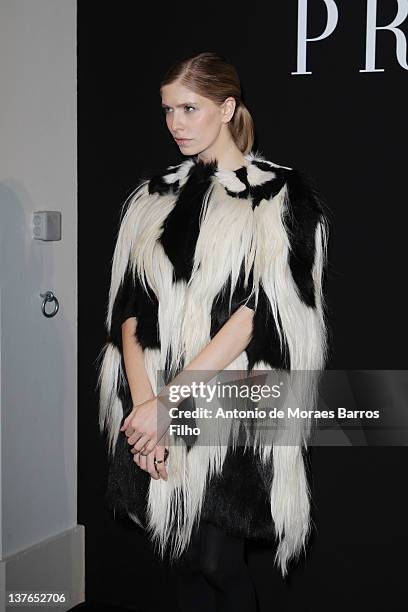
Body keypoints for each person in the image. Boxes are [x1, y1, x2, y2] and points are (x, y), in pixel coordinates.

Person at [97, 51, 330, 611]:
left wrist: (173, 400)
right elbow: (129, 309)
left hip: (227, 397)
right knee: (179, 556)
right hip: (151, 402)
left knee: (217, 561)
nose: (176, 122)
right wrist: (145, 406)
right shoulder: (151, 197)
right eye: (168, 110)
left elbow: (262, 316)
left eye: (190, 108)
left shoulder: (277, 195)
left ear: (227, 108)